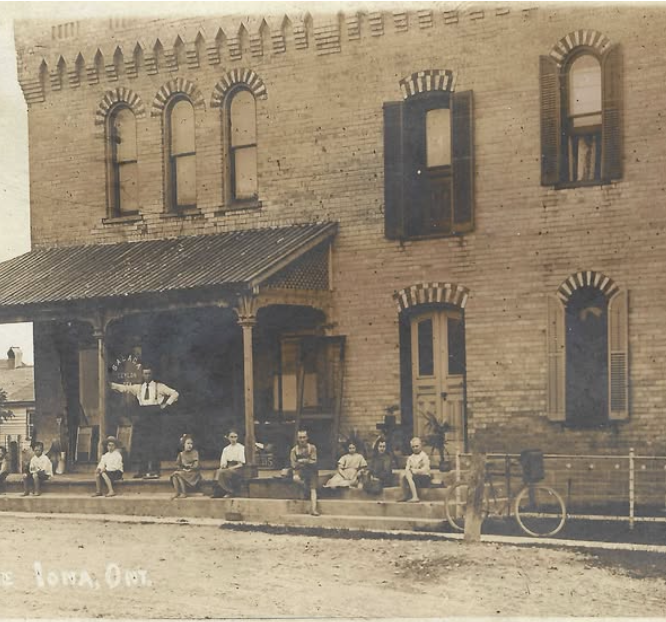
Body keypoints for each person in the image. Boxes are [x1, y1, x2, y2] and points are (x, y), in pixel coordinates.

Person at [110, 366, 179, 479]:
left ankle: (155, 470)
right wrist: (111, 384)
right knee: (141, 443)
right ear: (142, 375)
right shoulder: (139, 388)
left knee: (155, 443)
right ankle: (142, 470)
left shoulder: (159, 387)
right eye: (145, 373)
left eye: (149, 373)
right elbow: (125, 388)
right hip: (143, 415)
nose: (147, 376)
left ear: (152, 374)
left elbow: (175, 393)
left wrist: (166, 404)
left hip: (155, 415)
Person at [290, 430, 320, 516]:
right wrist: (299, 464)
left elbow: (314, 461)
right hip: (300, 470)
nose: (302, 439)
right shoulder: (294, 450)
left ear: (307, 438)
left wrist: (305, 461)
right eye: (300, 437)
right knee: (295, 478)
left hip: (311, 470)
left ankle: (314, 510)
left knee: (313, 490)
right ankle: (304, 485)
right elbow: (293, 464)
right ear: (297, 439)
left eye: (304, 437)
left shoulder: (312, 448)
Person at [212, 431, 245, 498]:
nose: (233, 439)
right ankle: (218, 492)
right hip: (228, 467)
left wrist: (230, 468)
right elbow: (223, 463)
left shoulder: (241, 447)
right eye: (231, 437)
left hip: (238, 469)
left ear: (237, 438)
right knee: (217, 471)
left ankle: (230, 492)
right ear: (228, 438)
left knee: (224, 472)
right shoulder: (226, 449)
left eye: (235, 437)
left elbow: (241, 464)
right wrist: (223, 466)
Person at [399, 437, 432, 502]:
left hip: (424, 478)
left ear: (421, 446)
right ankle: (405, 495)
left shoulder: (424, 456)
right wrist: (409, 471)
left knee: (409, 474)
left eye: (417, 446)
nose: (415, 448)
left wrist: (416, 471)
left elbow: (426, 469)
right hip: (413, 478)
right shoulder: (411, 458)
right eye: (413, 447)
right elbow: (407, 468)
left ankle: (415, 496)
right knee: (403, 474)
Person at [171, 434, 201, 499]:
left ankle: (184, 493)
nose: (190, 445)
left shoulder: (195, 452)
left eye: (191, 443)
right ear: (183, 444)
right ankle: (177, 492)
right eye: (188, 443)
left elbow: (196, 465)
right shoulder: (181, 454)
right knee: (175, 475)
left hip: (193, 473)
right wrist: (182, 469)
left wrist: (190, 469)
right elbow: (178, 465)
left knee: (179, 474)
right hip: (184, 472)